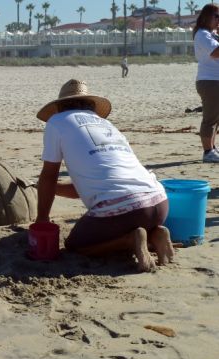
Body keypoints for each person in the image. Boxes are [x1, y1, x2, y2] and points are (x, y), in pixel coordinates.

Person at [36, 79, 175, 272]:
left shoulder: (57, 122)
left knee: (75, 245)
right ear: (89, 104)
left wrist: (42, 218)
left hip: (124, 210)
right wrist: (46, 188)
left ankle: (130, 240)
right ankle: (155, 234)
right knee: (126, 215)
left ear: (60, 106)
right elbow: (91, 186)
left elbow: (49, 175)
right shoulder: (105, 124)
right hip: (159, 203)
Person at [193, 3, 219, 163]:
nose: (218, 20)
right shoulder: (202, 34)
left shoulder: (211, 34)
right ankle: (208, 151)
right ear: (207, 17)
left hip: (214, 80)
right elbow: (216, 52)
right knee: (209, 119)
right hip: (210, 81)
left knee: (215, 118)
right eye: (217, 16)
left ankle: (212, 148)